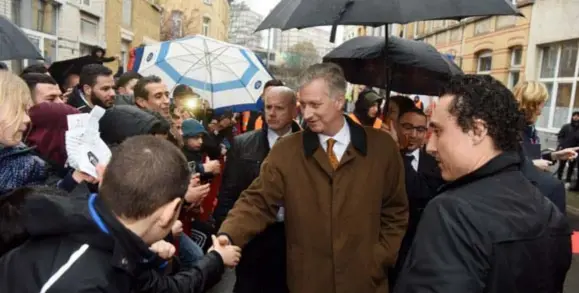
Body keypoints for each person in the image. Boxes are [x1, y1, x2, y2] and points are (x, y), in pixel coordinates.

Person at [216, 63, 408, 293]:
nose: (306, 114)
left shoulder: (382, 148)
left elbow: (396, 211)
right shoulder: (286, 151)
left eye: (315, 105)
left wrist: (379, 258)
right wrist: (229, 233)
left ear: (339, 101)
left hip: (366, 282)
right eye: (303, 105)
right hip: (308, 282)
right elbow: (257, 201)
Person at [394, 75, 572, 293]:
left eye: (438, 131)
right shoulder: (548, 209)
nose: (430, 146)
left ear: (477, 131)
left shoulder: (452, 213)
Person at [0, 136, 242, 293]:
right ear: (169, 213)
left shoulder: (105, 233)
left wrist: (214, 260)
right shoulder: (81, 280)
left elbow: (162, 289)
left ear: (104, 175)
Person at [214, 86, 302, 293]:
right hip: (254, 235)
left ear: (294, 111)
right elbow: (229, 192)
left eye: (278, 108)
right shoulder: (244, 144)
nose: (271, 113)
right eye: (267, 107)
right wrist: (226, 233)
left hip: (293, 236)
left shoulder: (309, 145)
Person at [389, 106, 445, 289]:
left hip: (417, 249)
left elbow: (420, 193)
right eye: (407, 127)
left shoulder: (435, 164)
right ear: (396, 127)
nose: (413, 134)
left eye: (420, 130)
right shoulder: (384, 159)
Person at [513, 81, 578, 170]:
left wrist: (555, 155)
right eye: (542, 102)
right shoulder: (509, 130)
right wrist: (531, 165)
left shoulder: (530, 128)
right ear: (532, 104)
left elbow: (530, 158)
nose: (543, 107)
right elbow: (500, 167)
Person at [556, 111, 579, 183]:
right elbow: (560, 136)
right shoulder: (566, 127)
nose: (576, 117)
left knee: (571, 166)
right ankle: (558, 179)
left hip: (575, 151)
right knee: (561, 165)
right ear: (572, 117)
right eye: (574, 115)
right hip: (565, 149)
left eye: (578, 116)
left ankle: (568, 180)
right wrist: (562, 144)